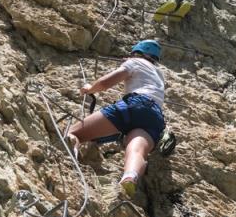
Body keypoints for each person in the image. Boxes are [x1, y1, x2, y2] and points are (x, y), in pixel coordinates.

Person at [66, 40, 165, 197]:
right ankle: (130, 177)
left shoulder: (135, 62)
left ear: (137, 52)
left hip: (136, 104)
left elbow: (106, 83)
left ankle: (68, 162)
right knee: (136, 151)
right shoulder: (159, 74)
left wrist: (90, 88)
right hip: (155, 116)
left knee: (74, 133)